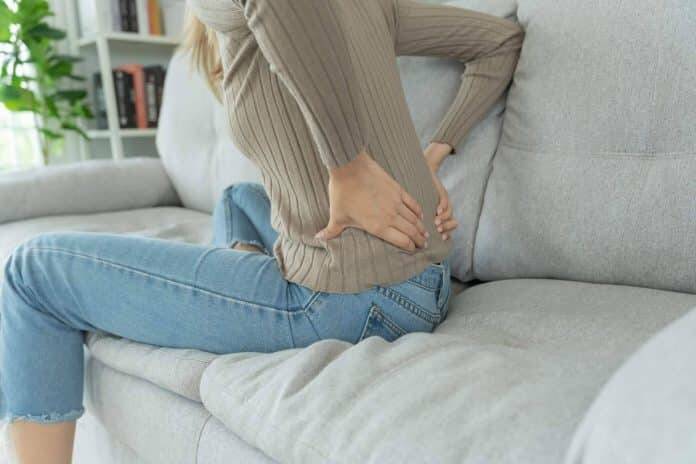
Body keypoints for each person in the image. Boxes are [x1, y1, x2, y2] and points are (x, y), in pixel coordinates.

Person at [0, 0, 524, 462]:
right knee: (238, 198)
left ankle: (256, 307)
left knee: (33, 273)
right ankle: (239, 292)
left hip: (344, 301)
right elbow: (500, 42)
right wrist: (433, 155)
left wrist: (349, 166)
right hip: (426, 278)